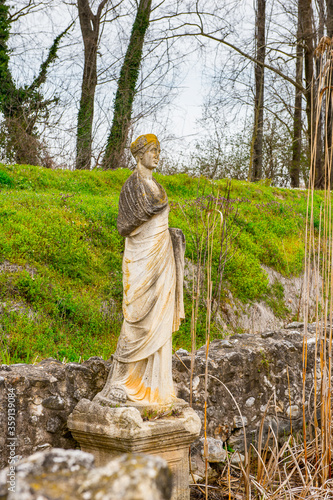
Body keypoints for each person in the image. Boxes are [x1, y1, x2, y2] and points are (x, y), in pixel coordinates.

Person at [95, 134, 185, 406]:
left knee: (159, 317)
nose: (157, 155)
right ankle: (122, 381)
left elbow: (158, 224)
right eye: (153, 151)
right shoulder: (131, 187)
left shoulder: (156, 186)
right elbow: (125, 226)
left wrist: (173, 238)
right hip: (141, 260)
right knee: (137, 318)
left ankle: (156, 387)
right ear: (139, 155)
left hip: (162, 258)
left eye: (159, 150)